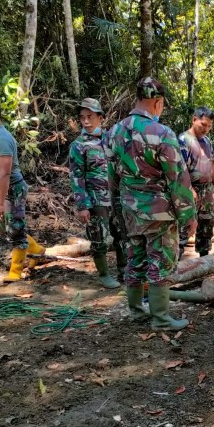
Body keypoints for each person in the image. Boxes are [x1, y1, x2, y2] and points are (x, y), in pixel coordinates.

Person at [106, 77, 197, 331]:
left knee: (135, 258)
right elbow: (178, 178)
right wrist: (188, 215)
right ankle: (161, 318)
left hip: (130, 210)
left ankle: (136, 311)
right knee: (161, 261)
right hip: (159, 213)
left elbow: (111, 176)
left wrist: (117, 209)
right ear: (158, 103)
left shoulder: (114, 132)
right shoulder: (162, 133)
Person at [0, 99, 45, 281]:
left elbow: (4, 174)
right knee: (1, 229)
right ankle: (36, 250)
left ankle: (15, 272)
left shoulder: (2, 139)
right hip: (2, 190)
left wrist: (0, 202)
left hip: (12, 190)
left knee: (15, 231)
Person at [68, 98, 126, 289]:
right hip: (95, 199)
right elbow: (77, 177)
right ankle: (103, 274)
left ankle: (125, 271)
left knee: (122, 234)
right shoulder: (79, 145)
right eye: (82, 117)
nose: (86, 121)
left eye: (90, 117)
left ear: (100, 117)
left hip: (117, 196)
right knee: (99, 236)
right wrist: (82, 205)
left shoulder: (111, 139)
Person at [178, 107, 214, 258]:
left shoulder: (207, 141)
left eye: (209, 126)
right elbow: (180, 169)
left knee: (206, 227)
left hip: (207, 190)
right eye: (203, 125)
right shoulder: (183, 140)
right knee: (184, 228)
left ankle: (204, 261)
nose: (206, 129)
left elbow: (211, 165)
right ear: (194, 119)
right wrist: (189, 189)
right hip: (189, 191)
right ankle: (175, 264)